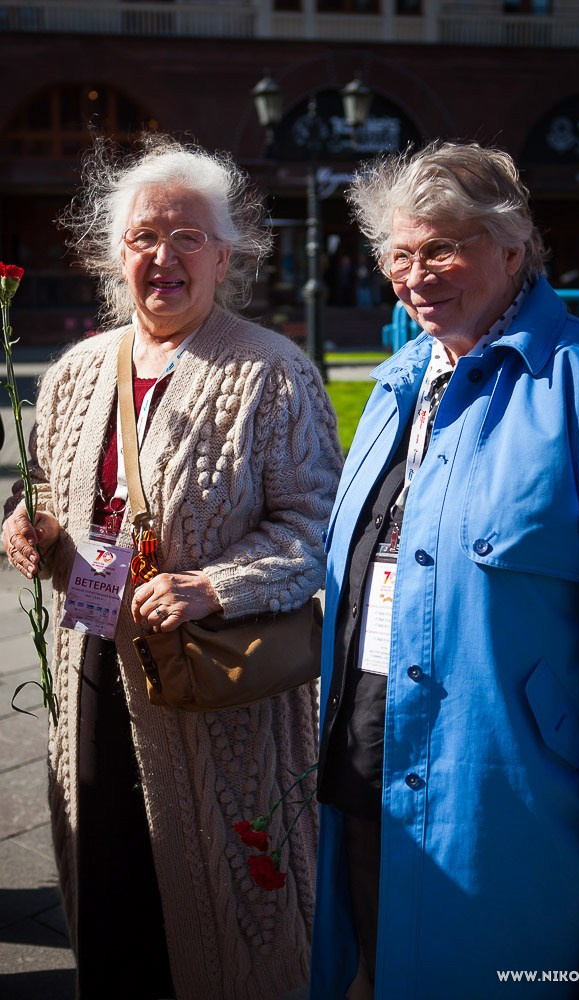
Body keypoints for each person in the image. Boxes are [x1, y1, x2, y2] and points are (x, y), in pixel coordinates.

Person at [309, 141, 579, 998]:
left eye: (442, 248)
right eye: (399, 253)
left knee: (500, 971)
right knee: (374, 957)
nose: (415, 273)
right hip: (364, 743)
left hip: (510, 774)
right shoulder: (397, 380)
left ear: (511, 248)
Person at [2, 134, 342, 1000]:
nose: (164, 256)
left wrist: (213, 584)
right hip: (93, 671)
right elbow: (52, 488)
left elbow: (313, 528)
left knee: (223, 904)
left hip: (217, 685)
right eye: (146, 237)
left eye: (188, 237)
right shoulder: (78, 370)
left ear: (226, 254)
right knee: (109, 877)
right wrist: (32, 532)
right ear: (115, 254)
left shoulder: (273, 372)